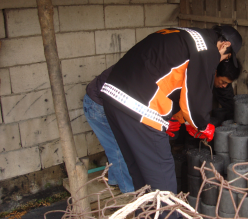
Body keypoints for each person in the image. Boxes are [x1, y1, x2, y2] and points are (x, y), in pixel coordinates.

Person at [100, 26, 242, 219]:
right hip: (137, 104)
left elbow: (170, 81)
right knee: (162, 168)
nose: (220, 62)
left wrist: (176, 119)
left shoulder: (182, 34)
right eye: (225, 57)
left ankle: (145, 218)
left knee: (138, 165)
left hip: (113, 96)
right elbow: (194, 98)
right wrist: (202, 126)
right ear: (225, 45)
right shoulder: (206, 49)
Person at [83, 58, 240, 193]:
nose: (224, 86)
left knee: (118, 149)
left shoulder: (186, 71)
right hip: (100, 103)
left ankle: (115, 182)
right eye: (223, 82)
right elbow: (149, 101)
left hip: (119, 100)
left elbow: (176, 101)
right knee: (119, 149)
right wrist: (162, 121)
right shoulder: (175, 71)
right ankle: (129, 195)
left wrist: (186, 122)